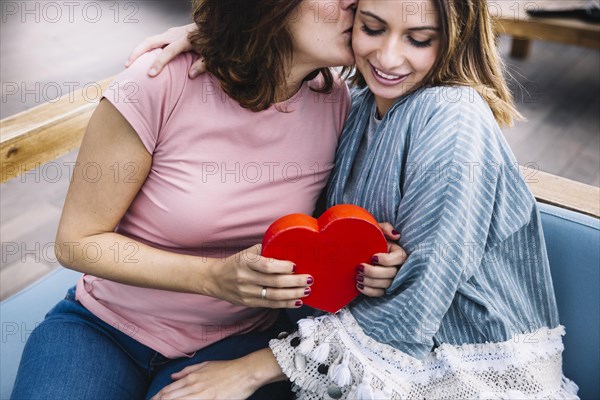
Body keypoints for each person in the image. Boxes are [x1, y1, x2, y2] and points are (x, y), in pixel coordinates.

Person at [137, 1, 580, 399]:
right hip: (356, 355)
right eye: (371, 28)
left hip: (459, 368)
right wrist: (212, 36)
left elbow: (419, 300)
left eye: (419, 39)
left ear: (456, 38)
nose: (388, 58)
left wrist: (249, 372)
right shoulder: (359, 104)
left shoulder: (453, 115)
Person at [10, 1, 407, 399]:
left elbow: (328, 227)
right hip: (105, 327)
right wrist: (211, 278)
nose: (353, 3)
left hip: (239, 340)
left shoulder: (338, 103)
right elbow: (76, 242)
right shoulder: (155, 82)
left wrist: (374, 255)